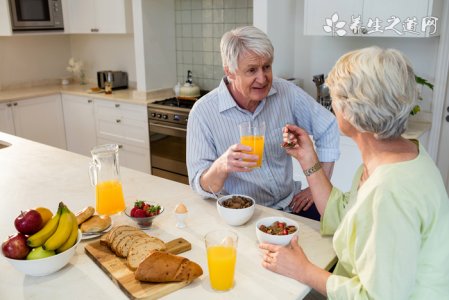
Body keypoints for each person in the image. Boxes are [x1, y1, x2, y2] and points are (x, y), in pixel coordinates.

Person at [259, 46, 449, 298]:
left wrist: (303, 270)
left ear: (349, 111)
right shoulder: (400, 154)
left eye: (334, 97)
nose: (331, 104)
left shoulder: (389, 193)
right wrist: (308, 158)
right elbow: (342, 216)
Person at [186, 26, 340, 219]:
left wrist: (318, 185)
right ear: (230, 72)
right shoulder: (203, 112)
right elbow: (200, 186)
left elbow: (328, 126)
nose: (263, 78)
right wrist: (222, 165)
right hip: (242, 213)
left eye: (266, 66)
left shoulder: (286, 92)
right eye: (252, 70)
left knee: (337, 232)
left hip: (291, 203)